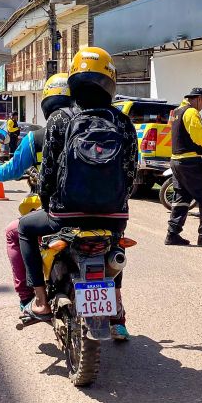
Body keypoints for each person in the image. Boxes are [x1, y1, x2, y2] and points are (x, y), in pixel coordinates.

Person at [18, 47, 138, 340]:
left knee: (23, 228)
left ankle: (41, 301)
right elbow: (132, 174)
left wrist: (49, 204)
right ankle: (117, 312)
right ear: (110, 81)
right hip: (113, 216)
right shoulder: (123, 122)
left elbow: (47, 173)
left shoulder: (60, 119)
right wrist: (116, 202)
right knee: (112, 246)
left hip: (65, 215)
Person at [0, 73, 71, 310]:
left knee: (16, 231)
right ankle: (118, 316)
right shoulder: (89, 128)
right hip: (103, 209)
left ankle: (30, 298)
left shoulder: (37, 137)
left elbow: (13, 169)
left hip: (60, 211)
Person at [165, 87, 202, 247]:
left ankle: (172, 234)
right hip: (190, 161)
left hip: (176, 161)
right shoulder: (191, 112)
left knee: (182, 198)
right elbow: (197, 137)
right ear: (199, 98)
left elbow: (185, 134)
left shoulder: (177, 111)